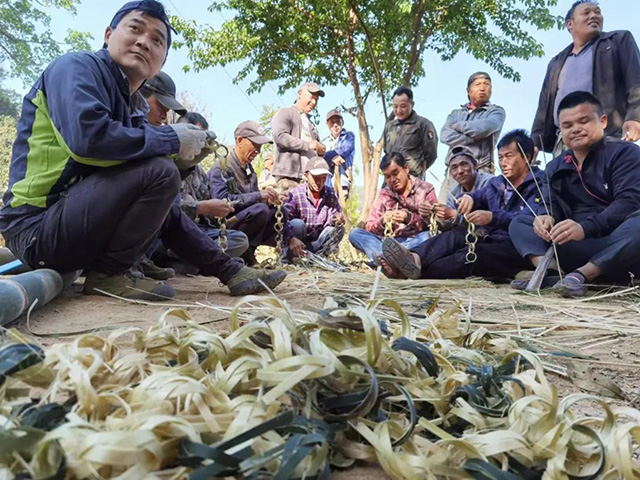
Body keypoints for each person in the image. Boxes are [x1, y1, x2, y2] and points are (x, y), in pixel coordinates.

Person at [0, 0, 286, 300]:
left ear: (160, 62)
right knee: (159, 172)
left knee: (162, 181)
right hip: (35, 230)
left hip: (76, 226)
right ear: (109, 34)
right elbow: (88, 142)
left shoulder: (132, 106)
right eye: (135, 29)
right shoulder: (75, 68)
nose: (143, 41)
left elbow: (155, 197)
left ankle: (230, 271)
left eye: (157, 40)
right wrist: (171, 141)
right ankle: (109, 275)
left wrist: (186, 162)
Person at [511, 91, 640, 297]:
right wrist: (545, 216)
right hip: (576, 245)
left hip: (621, 243)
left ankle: (583, 275)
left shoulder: (625, 153)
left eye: (584, 121)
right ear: (560, 131)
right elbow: (549, 202)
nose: (576, 130)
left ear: (603, 121)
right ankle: (551, 272)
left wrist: (584, 227)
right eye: (567, 126)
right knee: (522, 222)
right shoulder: (555, 166)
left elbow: (629, 202)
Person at [380, 130, 543, 280]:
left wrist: (492, 217)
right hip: (490, 238)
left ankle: (407, 272)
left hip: (517, 247)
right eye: (500, 158)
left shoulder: (539, 183)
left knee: (470, 255)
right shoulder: (496, 183)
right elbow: (477, 196)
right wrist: (469, 198)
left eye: (509, 156)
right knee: (456, 235)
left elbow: (530, 219)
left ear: (526, 157)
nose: (503, 163)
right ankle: (414, 258)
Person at [532, 1, 640, 155]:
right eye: (586, 13)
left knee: (604, 177)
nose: (594, 16)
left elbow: (636, 81)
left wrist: (635, 117)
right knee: (564, 178)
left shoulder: (618, 41)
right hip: (564, 141)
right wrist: (534, 142)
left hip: (605, 135)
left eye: (597, 12)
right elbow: (544, 106)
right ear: (570, 24)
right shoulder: (556, 62)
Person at [174, 112, 249, 259]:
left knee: (239, 240)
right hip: (173, 232)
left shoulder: (199, 172)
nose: (200, 145)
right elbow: (165, 210)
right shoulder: (165, 166)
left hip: (200, 231)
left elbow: (209, 209)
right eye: (195, 137)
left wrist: (219, 209)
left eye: (203, 139)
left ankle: (197, 260)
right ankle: (202, 260)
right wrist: (203, 207)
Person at [208, 121, 283, 265]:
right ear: (240, 141)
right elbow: (222, 201)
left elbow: (253, 202)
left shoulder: (251, 172)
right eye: (255, 144)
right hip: (223, 225)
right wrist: (258, 196)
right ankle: (245, 254)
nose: (258, 151)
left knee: (278, 211)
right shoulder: (222, 167)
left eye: (260, 146)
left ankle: (257, 251)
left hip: (244, 219)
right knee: (259, 210)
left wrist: (270, 199)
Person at [349, 152, 437, 265]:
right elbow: (370, 227)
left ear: (406, 169)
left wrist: (409, 218)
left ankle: (389, 259)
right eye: (387, 176)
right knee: (355, 234)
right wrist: (383, 221)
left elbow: (434, 225)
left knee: (428, 237)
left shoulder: (426, 189)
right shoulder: (384, 194)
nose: (392, 179)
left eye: (395, 173)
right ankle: (395, 260)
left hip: (414, 241)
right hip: (388, 243)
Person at [438, 72, 504, 201]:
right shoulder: (456, 113)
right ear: (468, 91)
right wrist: (473, 138)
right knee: (444, 215)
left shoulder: (496, 111)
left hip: (480, 172)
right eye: (478, 84)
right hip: (453, 174)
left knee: (477, 214)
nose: (482, 88)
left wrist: (460, 126)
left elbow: (484, 128)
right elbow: (444, 136)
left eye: (486, 84)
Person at [284, 157, 344, 260]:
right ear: (307, 175)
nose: (320, 183)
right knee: (297, 224)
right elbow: (283, 220)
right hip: (296, 243)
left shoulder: (330, 193)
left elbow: (334, 215)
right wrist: (291, 239)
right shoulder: (296, 193)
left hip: (317, 244)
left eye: (323, 178)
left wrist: (338, 219)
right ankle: (291, 258)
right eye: (316, 178)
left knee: (338, 229)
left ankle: (319, 258)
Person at [271, 82, 326, 194]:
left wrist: (321, 150)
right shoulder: (285, 113)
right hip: (289, 178)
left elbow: (317, 147)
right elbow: (280, 136)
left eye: (316, 99)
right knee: (290, 211)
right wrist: (308, 145)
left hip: (309, 180)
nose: (314, 102)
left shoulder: (311, 125)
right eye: (311, 97)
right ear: (299, 94)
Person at [383, 86, 438, 179]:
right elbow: (386, 151)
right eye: (395, 106)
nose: (399, 110)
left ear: (412, 104)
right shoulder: (389, 126)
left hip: (413, 179)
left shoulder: (423, 124)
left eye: (403, 106)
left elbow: (431, 154)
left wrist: (418, 170)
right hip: (391, 179)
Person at [437, 146, 493, 230]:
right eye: (454, 167)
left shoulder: (489, 182)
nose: (460, 171)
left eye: (464, 164)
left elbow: (494, 216)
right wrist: (431, 215)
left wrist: (454, 215)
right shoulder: (453, 194)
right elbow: (446, 226)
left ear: (475, 165)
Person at [323, 109, 355, 196]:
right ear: (327, 125)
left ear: (342, 122)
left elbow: (344, 150)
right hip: (326, 184)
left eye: (338, 122)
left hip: (342, 183)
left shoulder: (348, 136)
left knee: (340, 207)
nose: (335, 125)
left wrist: (326, 156)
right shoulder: (324, 142)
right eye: (332, 122)